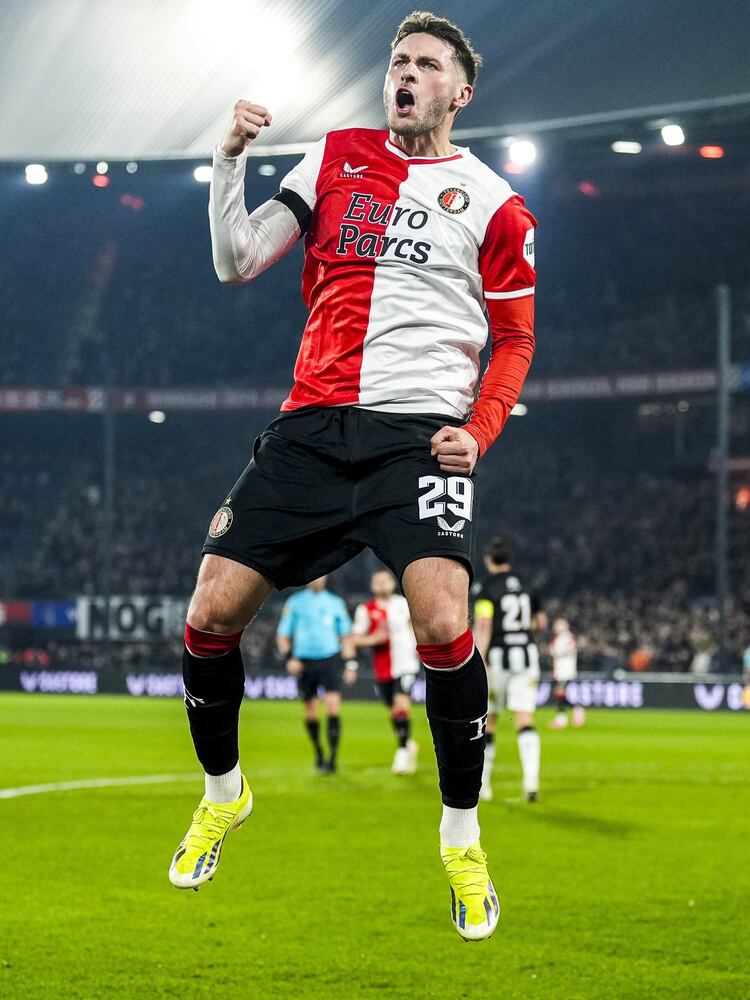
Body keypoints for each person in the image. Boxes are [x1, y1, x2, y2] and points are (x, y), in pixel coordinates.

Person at [169, 10, 536, 942]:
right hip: (311, 427)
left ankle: (462, 841)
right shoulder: (333, 158)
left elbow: (516, 340)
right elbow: (236, 262)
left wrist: (480, 430)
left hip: (417, 440)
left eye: (426, 65)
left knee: (444, 620)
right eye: (397, 61)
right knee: (209, 614)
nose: (405, 75)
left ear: (461, 92)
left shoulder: (496, 205)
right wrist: (227, 160)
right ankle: (224, 793)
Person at [473, 537, 546, 803]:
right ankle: (531, 781)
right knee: (524, 718)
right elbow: (540, 622)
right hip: (526, 656)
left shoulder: (486, 587)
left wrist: (478, 659)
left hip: (498, 657)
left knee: (490, 720)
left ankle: (483, 786)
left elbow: (484, 624)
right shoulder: (527, 584)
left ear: (488, 559)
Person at [276, 576, 357, 773]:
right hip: (304, 662)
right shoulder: (295, 602)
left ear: (326, 578)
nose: (317, 579)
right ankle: (319, 751)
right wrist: (289, 659)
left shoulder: (335, 602)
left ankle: (333, 758)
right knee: (311, 711)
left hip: (330, 660)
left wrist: (350, 664)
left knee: (332, 707)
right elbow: (283, 634)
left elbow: (346, 636)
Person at [352, 568, 420, 775]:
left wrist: (418, 648)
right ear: (373, 586)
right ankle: (408, 744)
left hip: (406, 663)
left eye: (386, 580)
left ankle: (402, 751)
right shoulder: (366, 609)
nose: (382, 584)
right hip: (382, 667)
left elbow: (414, 627)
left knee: (401, 704)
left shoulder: (404, 604)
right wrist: (373, 639)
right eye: (378, 581)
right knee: (392, 709)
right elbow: (355, 639)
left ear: (393, 583)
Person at [549, 617, 585, 728]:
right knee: (561, 695)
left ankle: (564, 718)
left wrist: (554, 651)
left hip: (565, 671)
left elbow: (563, 651)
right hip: (559, 671)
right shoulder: (559, 638)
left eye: (558, 625)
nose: (556, 627)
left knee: (560, 694)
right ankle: (574, 711)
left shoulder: (567, 637)